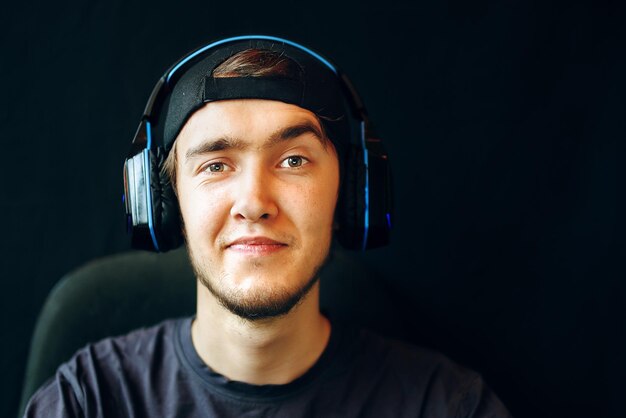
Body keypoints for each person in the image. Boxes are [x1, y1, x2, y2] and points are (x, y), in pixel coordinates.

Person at [24, 36, 512, 417]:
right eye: (216, 165)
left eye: (294, 160)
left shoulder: (449, 407)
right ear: (166, 204)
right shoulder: (86, 402)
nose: (254, 203)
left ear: (352, 195)